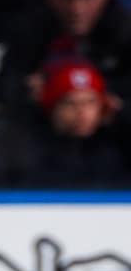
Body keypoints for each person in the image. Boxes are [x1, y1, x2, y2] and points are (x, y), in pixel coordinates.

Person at [12, 56, 130, 185]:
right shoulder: (28, 152)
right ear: (53, 108)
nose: (82, 112)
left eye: (90, 102)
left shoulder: (115, 151)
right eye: (70, 103)